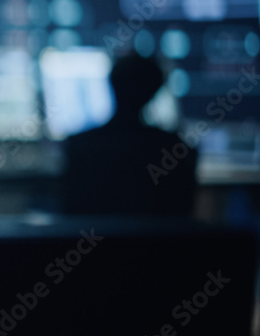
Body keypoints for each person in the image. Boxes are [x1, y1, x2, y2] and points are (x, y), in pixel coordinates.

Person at [61, 52, 198, 216]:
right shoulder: (175, 149)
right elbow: (182, 213)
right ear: (154, 91)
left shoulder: (79, 145)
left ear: (111, 84)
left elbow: (71, 210)